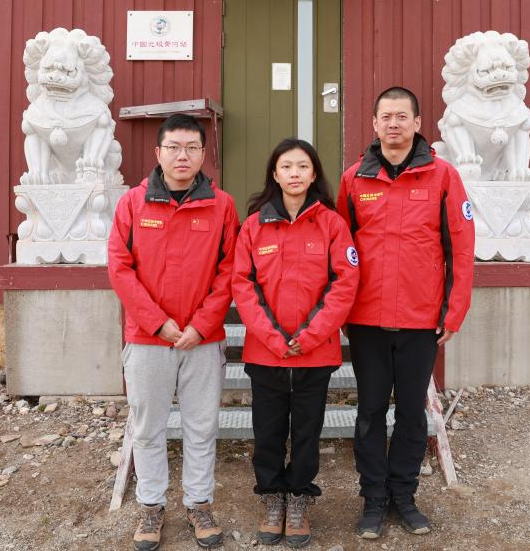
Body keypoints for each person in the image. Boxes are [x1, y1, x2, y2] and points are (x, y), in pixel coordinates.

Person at [336, 87, 475, 539]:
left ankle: (405, 496)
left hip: (420, 320)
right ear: (374, 125)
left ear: (418, 123)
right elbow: (341, 251)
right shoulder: (354, 179)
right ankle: (374, 499)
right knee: (371, 412)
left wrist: (453, 311)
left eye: (402, 117)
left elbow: (461, 247)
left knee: (413, 414)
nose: (393, 124)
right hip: (367, 319)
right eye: (385, 117)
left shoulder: (443, 177)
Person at [107, 114, 240, 551]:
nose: (182, 156)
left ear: (204, 155)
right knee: (148, 427)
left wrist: (202, 325)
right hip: (148, 340)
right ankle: (150, 506)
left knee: (202, 427)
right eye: (174, 147)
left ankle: (199, 503)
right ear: (158, 153)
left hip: (203, 340)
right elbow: (120, 269)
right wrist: (156, 322)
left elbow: (230, 271)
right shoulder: (133, 203)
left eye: (191, 148)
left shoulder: (222, 205)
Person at [232, 138, 360, 548]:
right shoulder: (254, 225)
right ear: (274, 173)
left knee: (307, 434)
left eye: (302, 166)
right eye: (286, 166)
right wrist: (272, 338)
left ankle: (300, 499)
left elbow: (345, 283)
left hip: (315, 354)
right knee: (267, 433)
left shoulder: (331, 224)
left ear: (313, 173)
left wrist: (309, 337)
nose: (294, 174)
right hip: (265, 354)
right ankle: (272, 499)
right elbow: (242, 285)